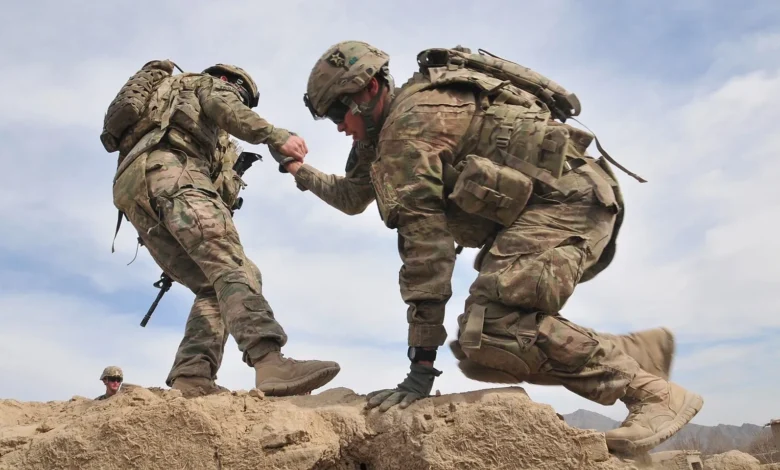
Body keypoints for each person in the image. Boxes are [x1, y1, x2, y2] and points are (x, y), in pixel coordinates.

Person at [290, 41, 702, 454]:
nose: (339, 127)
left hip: (568, 204)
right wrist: (299, 170)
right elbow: (353, 196)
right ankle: (636, 353)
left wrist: (421, 369)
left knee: (493, 328)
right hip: (557, 202)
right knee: (479, 351)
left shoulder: (409, 129)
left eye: (338, 113)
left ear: (367, 91)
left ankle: (650, 393)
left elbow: (427, 252)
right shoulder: (383, 135)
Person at [107, 61, 340, 397]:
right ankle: (269, 360)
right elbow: (228, 109)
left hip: (132, 192)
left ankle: (192, 376)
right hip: (174, 172)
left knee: (210, 286)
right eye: (241, 96)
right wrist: (276, 136)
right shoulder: (205, 84)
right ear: (231, 83)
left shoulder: (171, 102)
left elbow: (220, 191)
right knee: (235, 267)